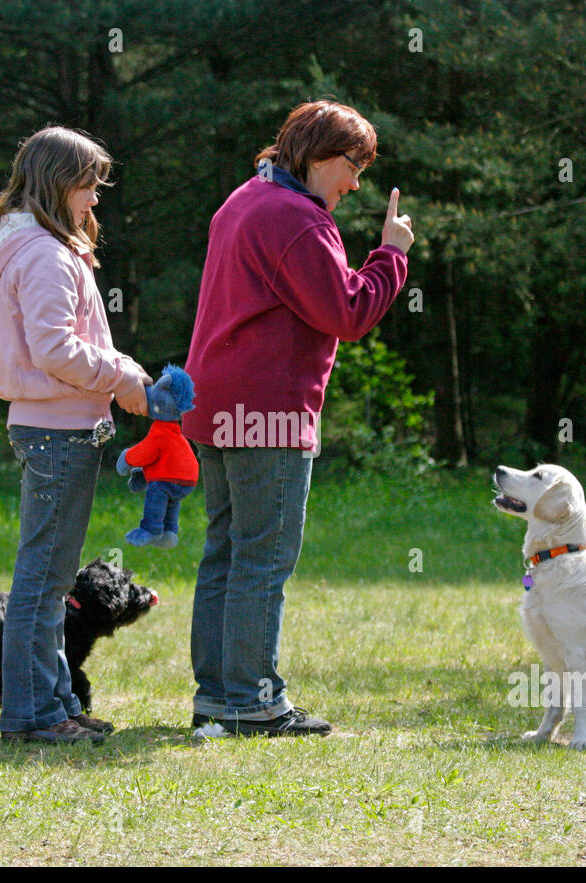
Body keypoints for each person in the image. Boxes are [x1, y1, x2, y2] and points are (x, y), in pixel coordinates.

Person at [182, 101, 415, 737]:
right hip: (270, 413)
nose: (356, 182)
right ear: (317, 156)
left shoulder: (244, 199)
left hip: (214, 406)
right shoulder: (298, 220)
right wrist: (391, 255)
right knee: (262, 560)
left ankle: (218, 698)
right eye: (352, 165)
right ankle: (254, 702)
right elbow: (347, 313)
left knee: (226, 555)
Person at [0, 125, 151, 745]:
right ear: (57, 183)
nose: (95, 199)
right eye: (88, 185)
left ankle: (54, 704)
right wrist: (125, 375)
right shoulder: (46, 254)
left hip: (57, 427)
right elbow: (56, 349)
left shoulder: (37, 247)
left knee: (50, 580)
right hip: (56, 431)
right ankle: (32, 715)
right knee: (43, 582)